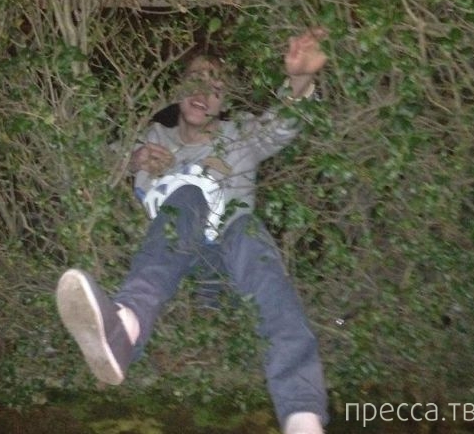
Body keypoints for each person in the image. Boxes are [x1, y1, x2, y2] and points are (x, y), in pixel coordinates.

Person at [56, 27, 329, 434]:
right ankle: (125, 326)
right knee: (187, 196)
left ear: (226, 102)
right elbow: (92, 162)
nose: (204, 92)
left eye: (216, 87)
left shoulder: (239, 137)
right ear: (177, 87)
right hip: (172, 253)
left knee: (250, 235)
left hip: (232, 254)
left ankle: (302, 416)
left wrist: (300, 80)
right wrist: (134, 159)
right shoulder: (154, 137)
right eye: (196, 79)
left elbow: (284, 124)